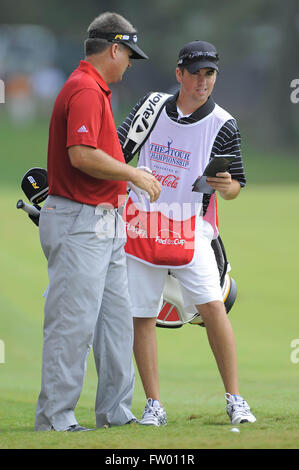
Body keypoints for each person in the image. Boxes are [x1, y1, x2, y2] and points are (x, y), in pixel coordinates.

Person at [118, 40, 256, 426]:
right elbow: (118, 149)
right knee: (141, 314)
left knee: (213, 308)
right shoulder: (152, 106)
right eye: (195, 73)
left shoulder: (223, 123)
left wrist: (225, 184)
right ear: (179, 74)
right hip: (142, 223)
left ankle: (235, 398)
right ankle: (153, 405)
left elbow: (235, 188)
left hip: (191, 227)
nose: (202, 81)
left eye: (209, 73)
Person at [35, 12, 161, 432]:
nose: (129, 64)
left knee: (114, 323)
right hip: (79, 223)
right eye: (129, 55)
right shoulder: (86, 89)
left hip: (102, 223)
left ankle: (115, 412)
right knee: (73, 323)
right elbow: (81, 155)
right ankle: (56, 419)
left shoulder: (96, 88)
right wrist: (134, 174)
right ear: (115, 48)